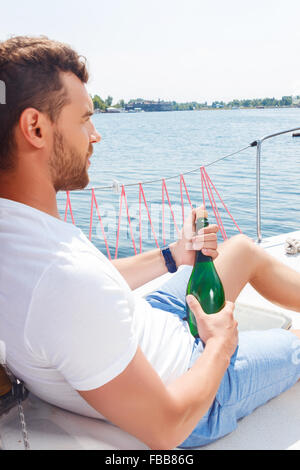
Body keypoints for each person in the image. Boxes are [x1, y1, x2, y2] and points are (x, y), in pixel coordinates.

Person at [0, 36, 299, 451]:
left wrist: (173, 256)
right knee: (297, 343)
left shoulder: (19, 230)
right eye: (85, 119)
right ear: (36, 128)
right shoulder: (63, 280)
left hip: (142, 326)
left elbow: (93, 284)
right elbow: (166, 428)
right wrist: (218, 344)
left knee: (243, 249)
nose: (95, 135)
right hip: (192, 388)